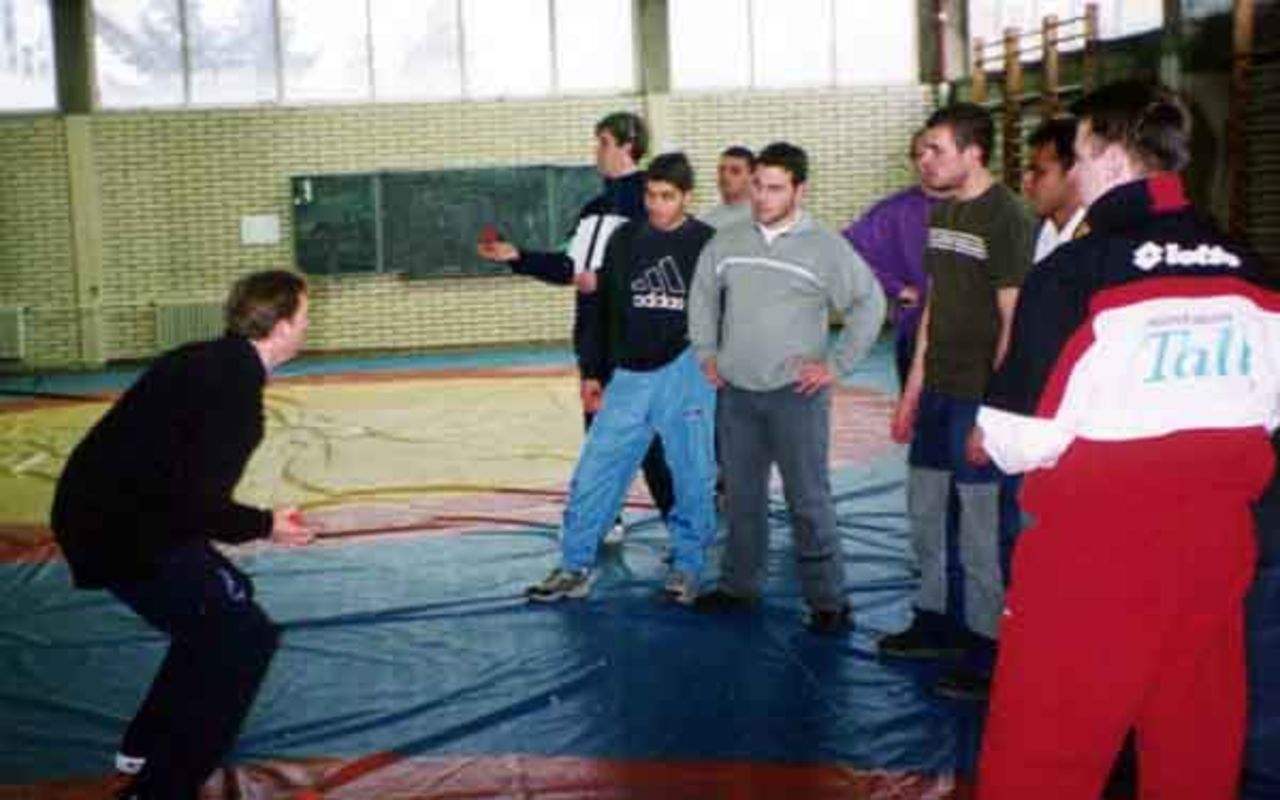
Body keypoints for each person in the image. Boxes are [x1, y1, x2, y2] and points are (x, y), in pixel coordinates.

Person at [973, 80, 1277, 800]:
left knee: (1043, 759)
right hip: (1215, 551)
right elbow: (1264, 414)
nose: (1073, 174)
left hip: (1096, 559)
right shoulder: (1251, 270)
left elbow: (1016, 440)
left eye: (1076, 155)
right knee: (1195, 750)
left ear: (1107, 155)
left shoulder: (1076, 273)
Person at [50, 270, 318, 800]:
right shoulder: (236, 398)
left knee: (219, 610)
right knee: (246, 638)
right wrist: (267, 525)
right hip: (122, 529)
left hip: (104, 512)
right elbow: (195, 505)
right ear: (282, 326)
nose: (309, 326)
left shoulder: (202, 358)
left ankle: (143, 743)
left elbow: (171, 482)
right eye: (306, 316)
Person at [688, 142, 885, 634]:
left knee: (808, 499)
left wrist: (836, 365)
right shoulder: (727, 240)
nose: (762, 196)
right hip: (737, 395)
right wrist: (706, 352)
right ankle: (739, 586)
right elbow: (703, 294)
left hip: (795, 397)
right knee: (742, 497)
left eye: (775, 188)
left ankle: (828, 601)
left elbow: (868, 303)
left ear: (800, 189)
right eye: (757, 185)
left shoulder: (825, 247)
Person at [879, 103, 1036, 700]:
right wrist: (912, 391)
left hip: (977, 395)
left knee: (978, 522)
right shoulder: (943, 211)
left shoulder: (1008, 217)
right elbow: (936, 305)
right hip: (938, 390)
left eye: (935, 150)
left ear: (974, 152)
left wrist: (993, 415)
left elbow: (1012, 322)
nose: (923, 160)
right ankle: (936, 618)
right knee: (926, 508)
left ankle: (987, 643)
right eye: (920, 150)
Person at [525, 153, 718, 605]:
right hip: (629, 374)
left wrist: (719, 363)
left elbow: (730, 310)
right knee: (596, 470)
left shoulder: (709, 244)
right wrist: (593, 369)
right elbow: (604, 308)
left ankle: (688, 566)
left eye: (667, 197)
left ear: (687, 197)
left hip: (685, 371)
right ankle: (574, 565)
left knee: (691, 474)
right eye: (651, 195)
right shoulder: (625, 238)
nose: (656, 205)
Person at [477, 111, 673, 544]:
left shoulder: (652, 204)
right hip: (594, 345)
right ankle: (607, 517)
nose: (596, 151)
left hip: (639, 345)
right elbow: (570, 267)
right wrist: (517, 256)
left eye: (602, 142)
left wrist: (607, 283)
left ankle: (683, 527)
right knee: (601, 434)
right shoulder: (593, 210)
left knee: (653, 442)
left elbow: (659, 271)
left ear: (628, 144)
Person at [842, 129, 950, 385]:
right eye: (918, 155)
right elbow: (844, 252)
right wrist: (896, 289)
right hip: (915, 332)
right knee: (919, 417)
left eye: (935, 152)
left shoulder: (981, 208)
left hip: (971, 336)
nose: (925, 161)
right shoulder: (895, 211)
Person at [1023, 116, 1085, 264]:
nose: (1027, 180)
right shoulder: (1034, 233)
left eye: (1040, 172)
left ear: (1073, 173)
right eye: (1027, 170)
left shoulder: (1098, 240)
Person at [700, 145, 755, 230]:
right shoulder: (706, 222)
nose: (725, 176)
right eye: (721, 170)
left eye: (735, 171)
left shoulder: (765, 219)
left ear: (752, 177)